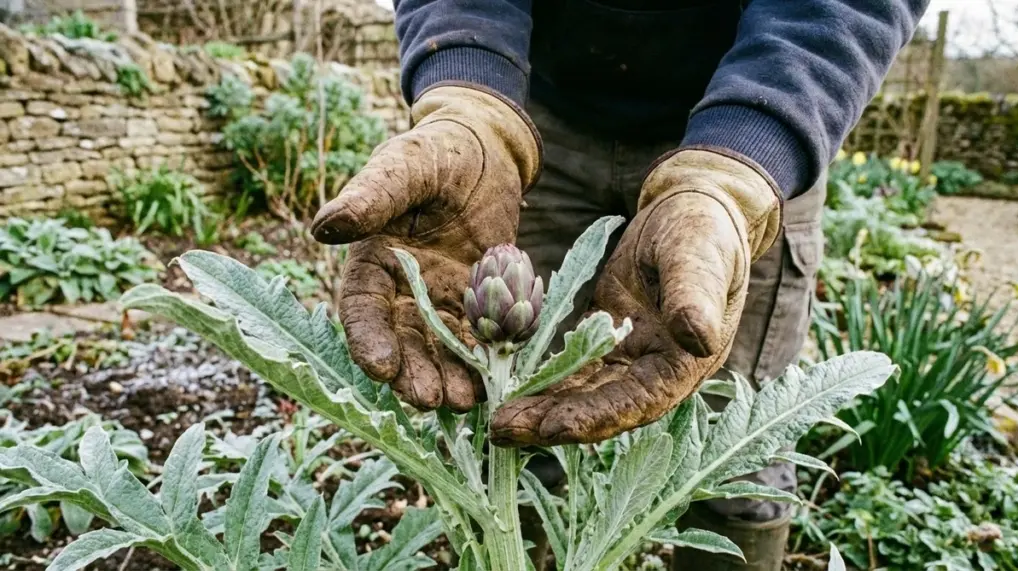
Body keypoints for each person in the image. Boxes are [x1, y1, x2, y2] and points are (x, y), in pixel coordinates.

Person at [310, 1, 930, 569]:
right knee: (508, 431)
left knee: (735, 441)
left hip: (756, 129)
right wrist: (470, 106)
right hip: (530, 114)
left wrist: (740, 168)